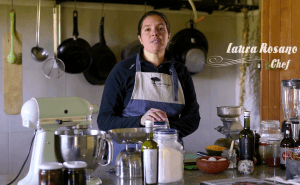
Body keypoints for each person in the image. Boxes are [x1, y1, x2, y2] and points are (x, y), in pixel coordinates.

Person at [97, 10, 200, 164]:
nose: (154, 34)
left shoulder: (181, 72)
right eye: (148, 29)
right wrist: (141, 121)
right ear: (140, 38)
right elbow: (104, 121)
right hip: (128, 159)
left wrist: (166, 128)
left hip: (169, 158)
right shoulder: (122, 70)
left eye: (160, 28)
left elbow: (193, 118)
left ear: (168, 36)